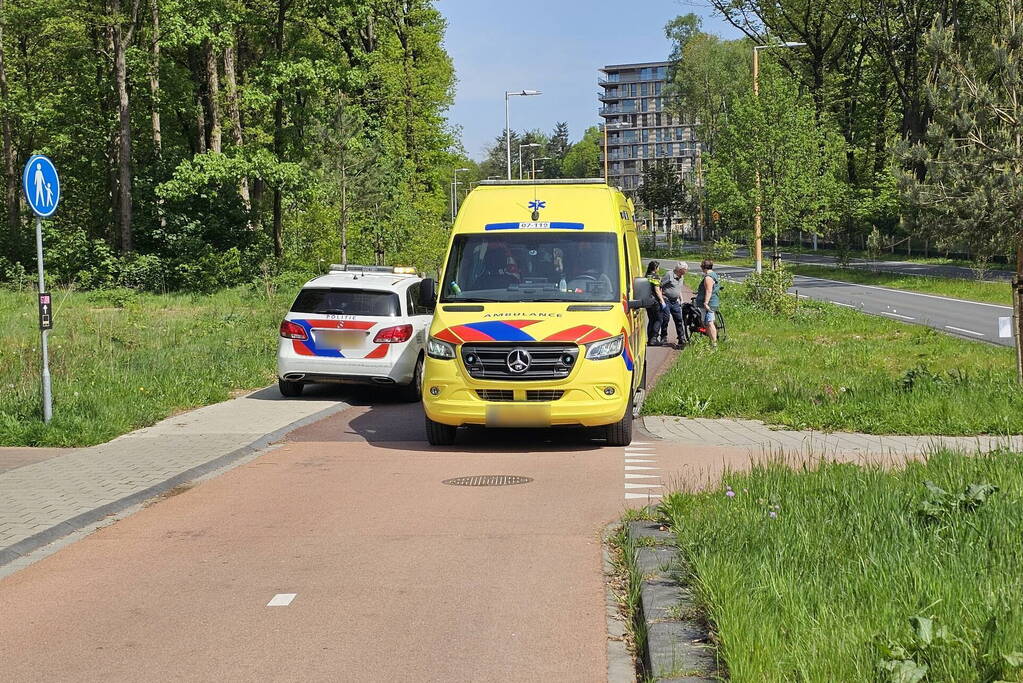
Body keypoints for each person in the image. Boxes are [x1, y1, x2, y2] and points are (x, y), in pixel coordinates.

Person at [659, 261, 688, 347]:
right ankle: (663, 336)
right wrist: (661, 299)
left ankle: (681, 337)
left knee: (679, 319)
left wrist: (681, 299)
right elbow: (660, 286)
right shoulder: (669, 275)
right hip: (666, 300)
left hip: (675, 301)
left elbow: (678, 289)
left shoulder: (681, 277)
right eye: (685, 269)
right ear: (680, 269)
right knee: (666, 318)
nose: (686, 271)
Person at [696, 259, 722, 348]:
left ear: (703, 267)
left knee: (709, 322)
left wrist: (706, 303)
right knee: (707, 322)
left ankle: (714, 343)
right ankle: (712, 340)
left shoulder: (708, 277)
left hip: (709, 303)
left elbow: (709, 290)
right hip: (713, 302)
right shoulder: (713, 274)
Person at [644, 261, 668, 346]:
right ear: (655, 268)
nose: (659, 269)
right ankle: (654, 338)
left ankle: (649, 338)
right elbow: (657, 290)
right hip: (655, 301)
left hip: (648, 300)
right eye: (658, 267)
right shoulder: (656, 277)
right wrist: (662, 301)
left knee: (651, 319)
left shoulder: (646, 276)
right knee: (659, 319)